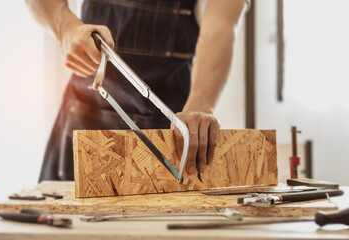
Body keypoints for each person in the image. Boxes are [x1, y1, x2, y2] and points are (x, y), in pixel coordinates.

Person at [26, 0, 248, 181]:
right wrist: (65, 27)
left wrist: (200, 104)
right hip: (85, 115)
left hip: (168, 129)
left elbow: (220, 26)